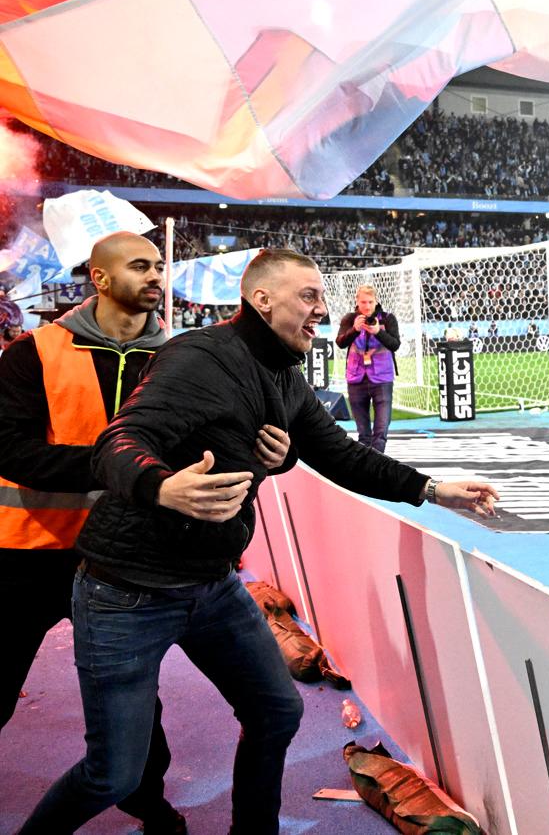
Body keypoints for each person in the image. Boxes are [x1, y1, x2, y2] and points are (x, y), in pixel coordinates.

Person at [19, 249, 499, 835]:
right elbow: (121, 439)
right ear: (262, 300)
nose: (324, 310)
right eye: (309, 297)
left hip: (212, 586)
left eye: (323, 298)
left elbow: (341, 455)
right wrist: (161, 486)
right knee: (113, 775)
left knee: (276, 713)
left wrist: (432, 488)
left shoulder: (284, 376)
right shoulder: (199, 357)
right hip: (126, 591)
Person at [0, 233, 200, 835]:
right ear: (100, 278)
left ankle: (146, 801)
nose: (156, 274)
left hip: (121, 557)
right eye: (140, 265)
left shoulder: (180, 359)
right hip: (27, 551)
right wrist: (117, 466)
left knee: (138, 698)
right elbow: (11, 450)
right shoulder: (33, 353)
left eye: (159, 265)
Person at [335, 283, 400, 452]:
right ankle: (366, 469)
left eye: (370, 302)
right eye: (363, 302)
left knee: (381, 431)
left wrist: (378, 331)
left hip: (382, 378)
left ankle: (377, 466)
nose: (367, 306)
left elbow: (395, 345)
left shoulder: (387, 318)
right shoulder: (349, 319)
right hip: (356, 378)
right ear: (357, 302)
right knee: (363, 434)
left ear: (376, 301)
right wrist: (355, 330)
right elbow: (341, 343)